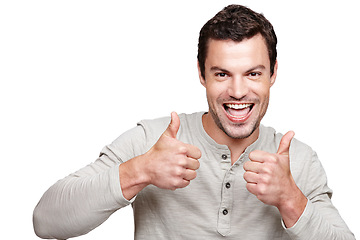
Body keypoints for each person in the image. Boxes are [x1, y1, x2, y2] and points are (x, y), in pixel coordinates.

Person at [33, 4, 355, 240]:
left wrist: (290, 199)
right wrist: (140, 170)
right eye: (222, 74)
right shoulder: (153, 142)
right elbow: (46, 221)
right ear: (201, 74)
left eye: (253, 73)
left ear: (273, 74)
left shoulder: (298, 159)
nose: (238, 91)